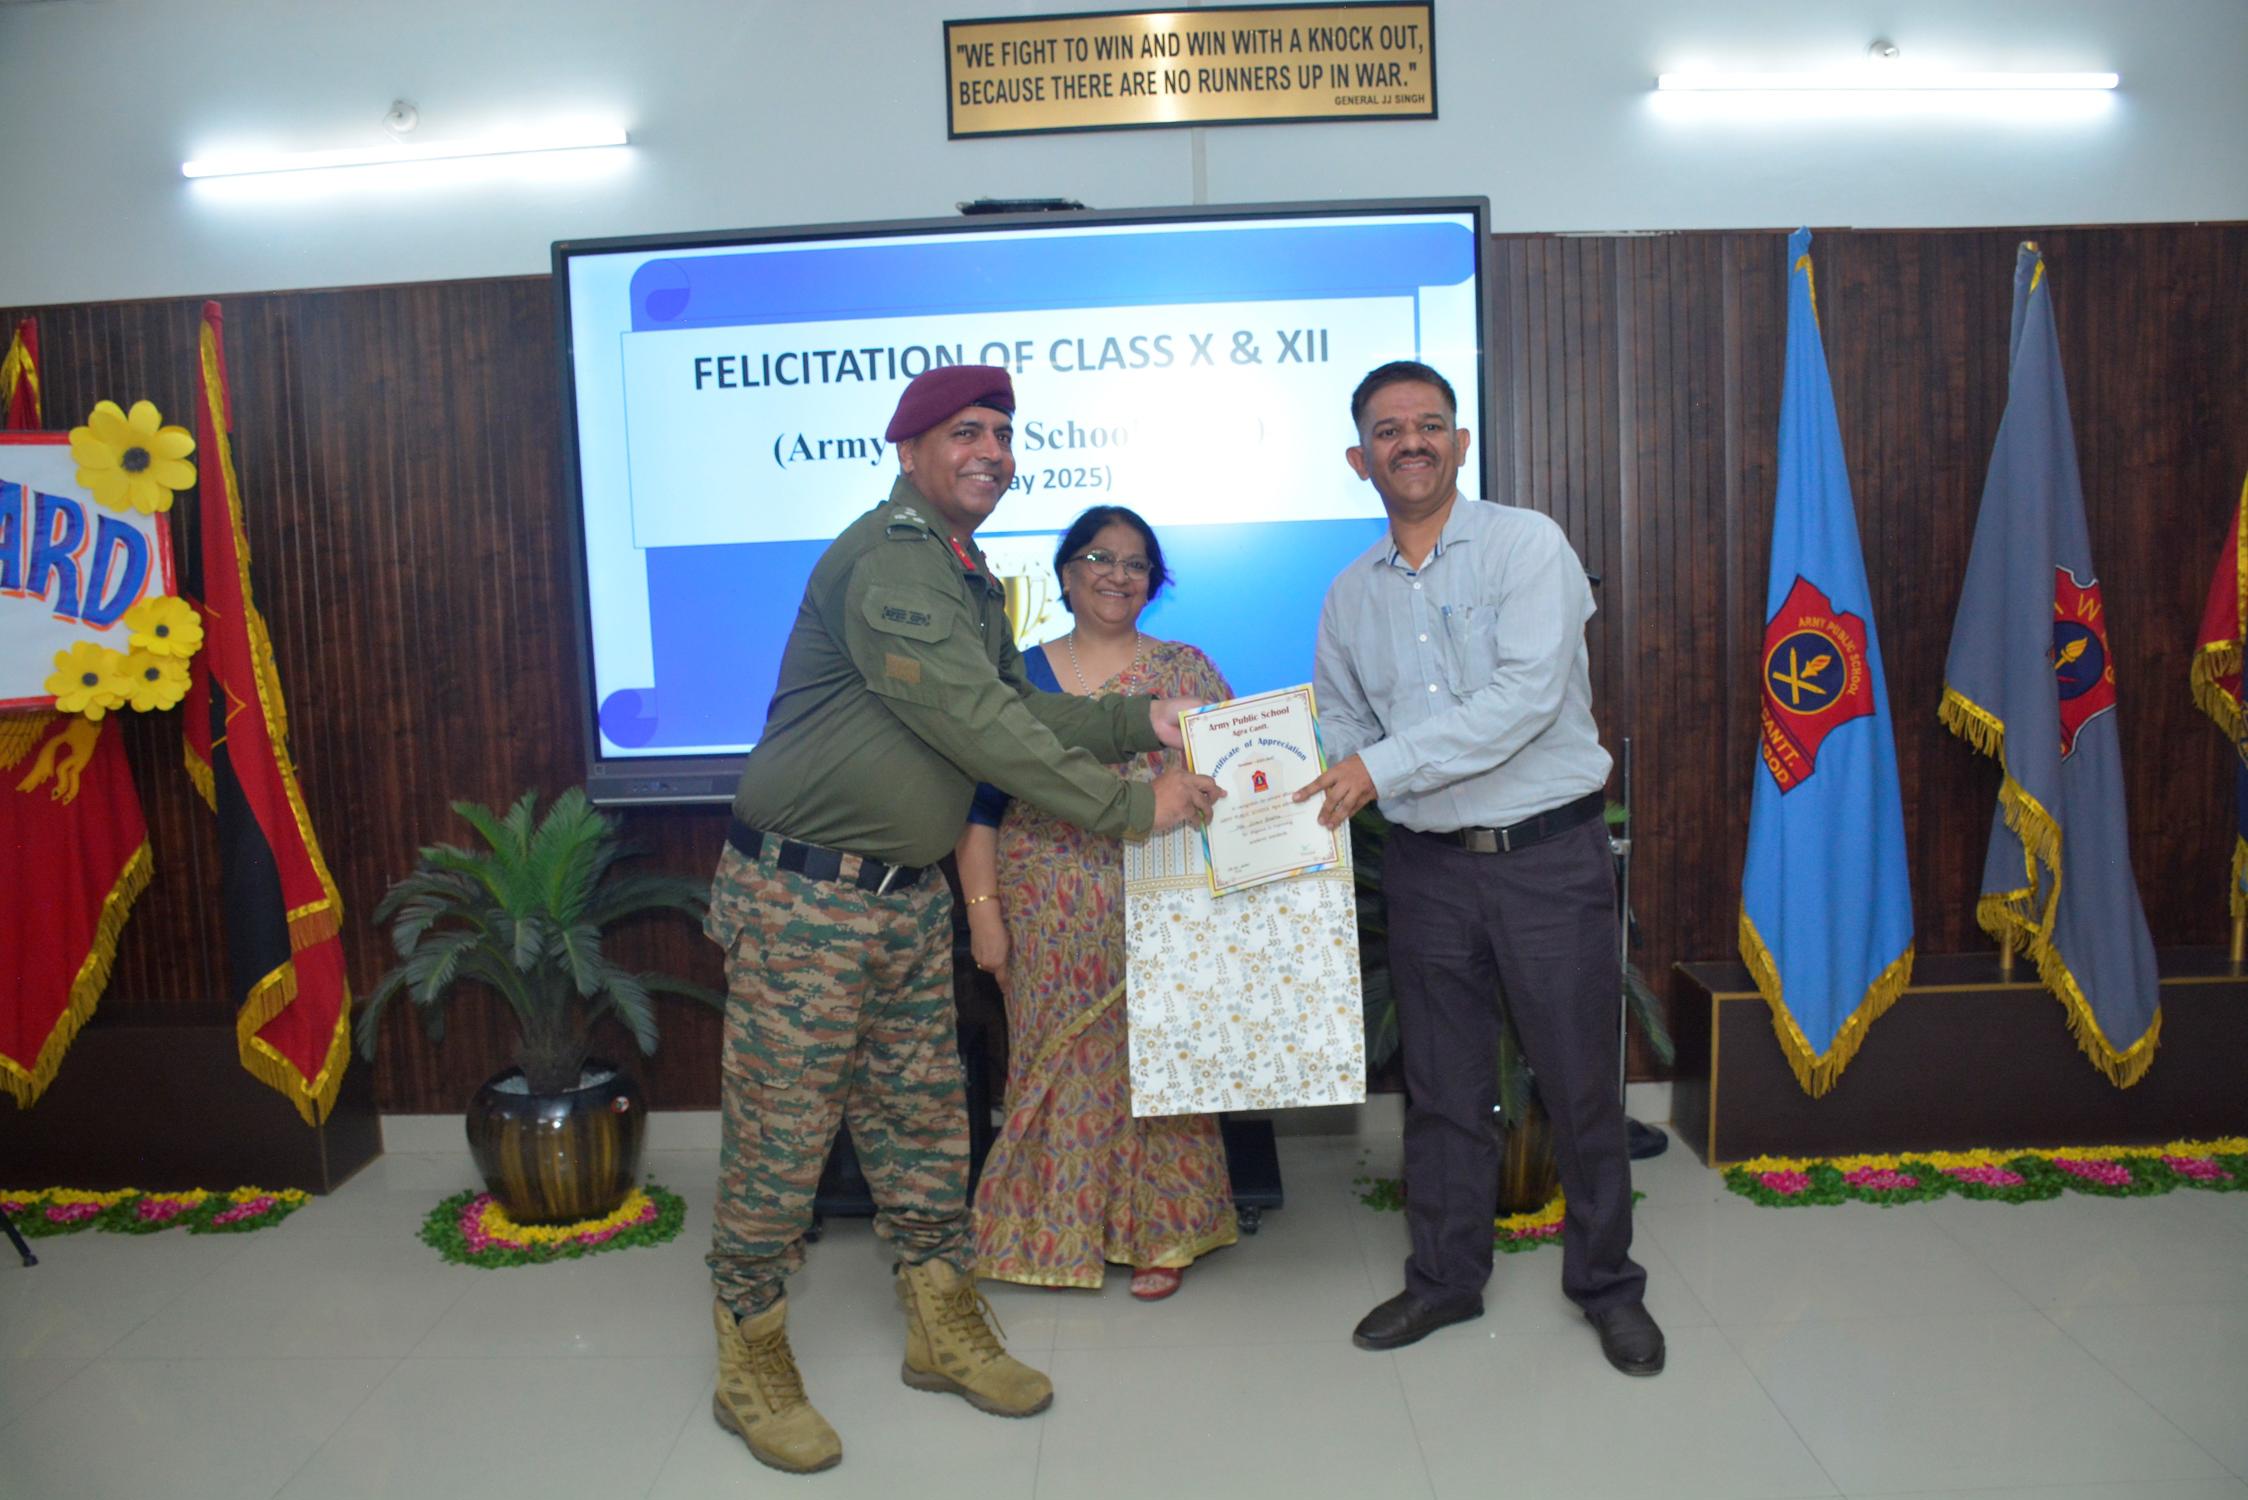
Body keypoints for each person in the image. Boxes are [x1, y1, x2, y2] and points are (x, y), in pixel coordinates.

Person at [704, 365, 1224, 1475]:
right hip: (804, 902)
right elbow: (981, 725)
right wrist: (1136, 806)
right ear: (909, 450)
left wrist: (1143, 717)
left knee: (925, 1126)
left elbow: (1021, 705)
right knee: (781, 1139)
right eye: (963, 432)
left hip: (901, 899)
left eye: (1001, 433)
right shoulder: (894, 561)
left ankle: (940, 1327)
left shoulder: (962, 572)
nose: (990, 450)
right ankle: (748, 1354)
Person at [1294, 360, 1664, 1376]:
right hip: (1425, 870)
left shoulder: (1525, 544)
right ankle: (1445, 1280)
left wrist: (1378, 767)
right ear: (1358, 459)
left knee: (1579, 1084)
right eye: (1387, 430)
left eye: (1428, 424)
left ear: (1459, 444)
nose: (1409, 441)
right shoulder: (1348, 595)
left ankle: (1608, 1287)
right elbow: (1341, 721)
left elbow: (1526, 699)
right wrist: (1293, 768)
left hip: (1545, 859)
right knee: (1443, 1089)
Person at [956, 506, 1238, 1302]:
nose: (1117, 575)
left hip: (1167, 902)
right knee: (1056, 1063)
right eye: (1098, 558)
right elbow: (979, 810)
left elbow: (1237, 780)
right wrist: (984, 914)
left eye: (1135, 563)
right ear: (1066, 574)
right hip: (1046, 905)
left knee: (1164, 1064)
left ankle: (1161, 1233)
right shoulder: (1020, 677)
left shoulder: (1187, 674)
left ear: (1154, 581)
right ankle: (1052, 1231)